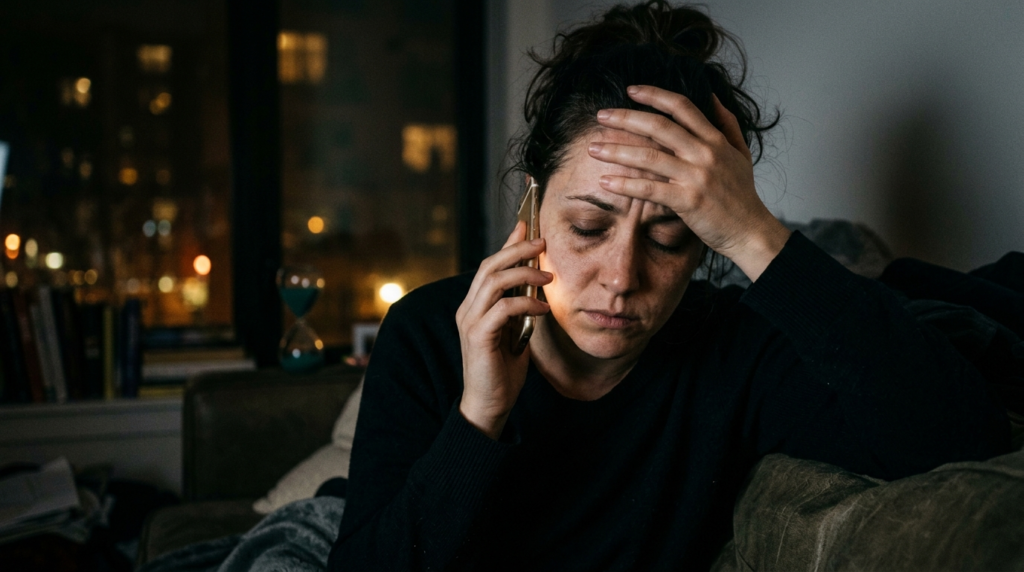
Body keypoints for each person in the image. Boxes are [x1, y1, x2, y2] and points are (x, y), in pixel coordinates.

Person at [327, 2, 1011, 570]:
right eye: (589, 227)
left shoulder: (735, 353)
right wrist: (479, 416)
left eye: (669, 237)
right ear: (531, 207)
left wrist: (754, 233)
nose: (622, 278)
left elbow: (960, 443)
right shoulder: (427, 333)